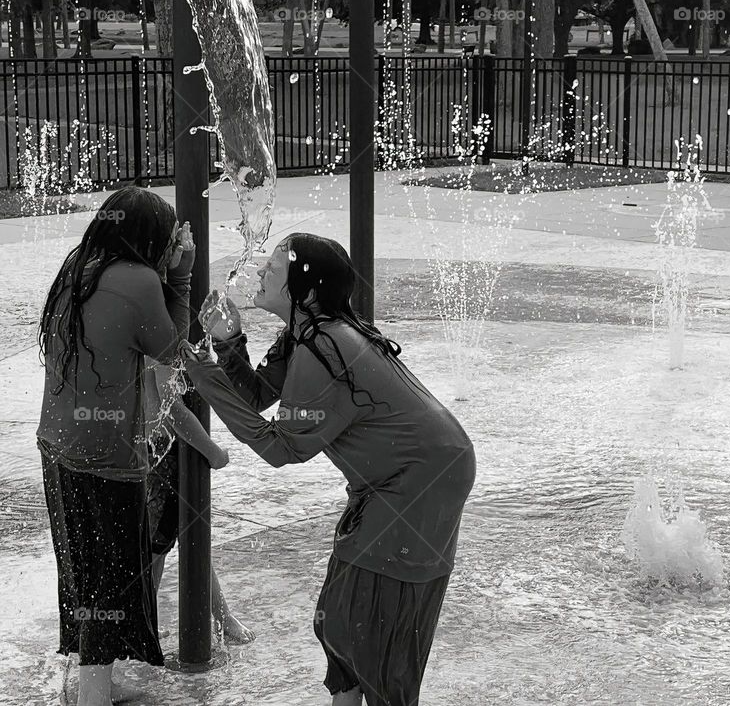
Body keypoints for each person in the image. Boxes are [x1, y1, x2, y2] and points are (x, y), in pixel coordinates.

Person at [179, 233, 476, 706]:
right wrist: (229, 343)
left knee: (374, 638)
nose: (259, 272)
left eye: (273, 268)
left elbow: (280, 447)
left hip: (418, 481)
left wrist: (206, 377)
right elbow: (259, 397)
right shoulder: (308, 335)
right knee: (340, 622)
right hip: (408, 474)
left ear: (307, 291)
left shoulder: (326, 346)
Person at [36, 186, 193, 706]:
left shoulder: (79, 264)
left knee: (82, 570)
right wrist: (181, 275)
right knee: (110, 581)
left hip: (56, 447)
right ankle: (93, 696)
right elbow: (172, 351)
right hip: (104, 456)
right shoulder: (141, 279)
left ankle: (85, 684)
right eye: (168, 238)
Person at [143, 359, 255, 644]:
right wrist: (213, 451)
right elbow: (172, 408)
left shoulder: (161, 329)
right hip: (165, 453)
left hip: (160, 449)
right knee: (159, 547)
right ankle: (145, 624)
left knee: (186, 540)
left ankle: (219, 616)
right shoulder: (165, 336)